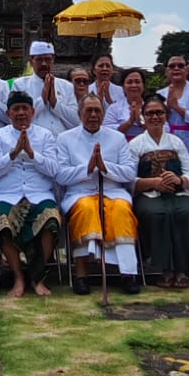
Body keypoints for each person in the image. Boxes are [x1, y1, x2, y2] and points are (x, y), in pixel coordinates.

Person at [57, 95, 140, 295]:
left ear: (103, 114)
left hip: (112, 192)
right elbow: (60, 175)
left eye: (97, 111)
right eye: (89, 110)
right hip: (80, 193)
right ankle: (81, 275)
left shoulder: (117, 138)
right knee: (86, 209)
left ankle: (128, 274)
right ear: (79, 114)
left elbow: (129, 172)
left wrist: (105, 167)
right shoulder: (65, 138)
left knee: (121, 210)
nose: (93, 115)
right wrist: (88, 168)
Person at [0, 90, 63, 297]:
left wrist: (31, 153)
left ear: (33, 111)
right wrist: (12, 153)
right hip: (7, 196)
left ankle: (37, 278)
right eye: (16, 109)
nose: (21, 113)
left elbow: (54, 170)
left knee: (51, 220)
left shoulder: (45, 136)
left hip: (39, 194)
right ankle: (19, 277)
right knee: (2, 222)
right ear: (8, 113)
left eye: (24, 109)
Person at [127, 97, 189, 288]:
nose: (155, 117)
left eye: (159, 112)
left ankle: (183, 268)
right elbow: (128, 178)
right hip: (149, 194)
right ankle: (164, 269)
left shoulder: (176, 142)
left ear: (166, 116)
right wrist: (153, 182)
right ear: (143, 117)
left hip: (177, 193)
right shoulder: (135, 145)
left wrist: (179, 180)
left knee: (188, 212)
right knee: (157, 214)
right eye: (150, 113)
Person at [15, 41, 79, 134]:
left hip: (60, 143)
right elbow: (17, 119)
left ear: (53, 60)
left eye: (48, 59)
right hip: (33, 142)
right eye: (39, 59)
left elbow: (76, 122)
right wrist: (42, 99)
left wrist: (55, 103)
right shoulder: (20, 85)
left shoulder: (67, 86)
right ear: (31, 62)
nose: (44, 64)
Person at [156, 56, 189, 152]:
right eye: (172, 66)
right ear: (167, 71)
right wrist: (167, 109)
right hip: (168, 144)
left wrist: (178, 108)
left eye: (180, 66)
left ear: (187, 69)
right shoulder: (160, 94)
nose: (176, 69)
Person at [107, 67, 149, 140]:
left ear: (143, 85)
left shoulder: (153, 107)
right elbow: (107, 131)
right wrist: (129, 122)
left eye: (137, 82)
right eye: (129, 82)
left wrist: (140, 122)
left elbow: (164, 129)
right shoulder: (114, 108)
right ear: (123, 86)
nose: (134, 85)